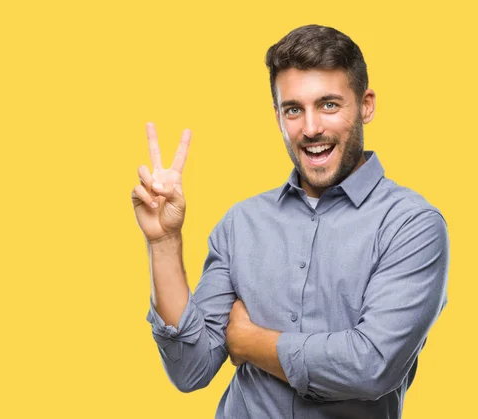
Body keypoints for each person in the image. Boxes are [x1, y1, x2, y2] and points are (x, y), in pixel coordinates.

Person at [131, 24, 449, 419]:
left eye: (329, 105)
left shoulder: (412, 225)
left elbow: (370, 365)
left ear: (366, 105)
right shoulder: (241, 223)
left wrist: (251, 343)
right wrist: (164, 243)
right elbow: (190, 369)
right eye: (293, 109)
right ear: (278, 117)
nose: (311, 128)